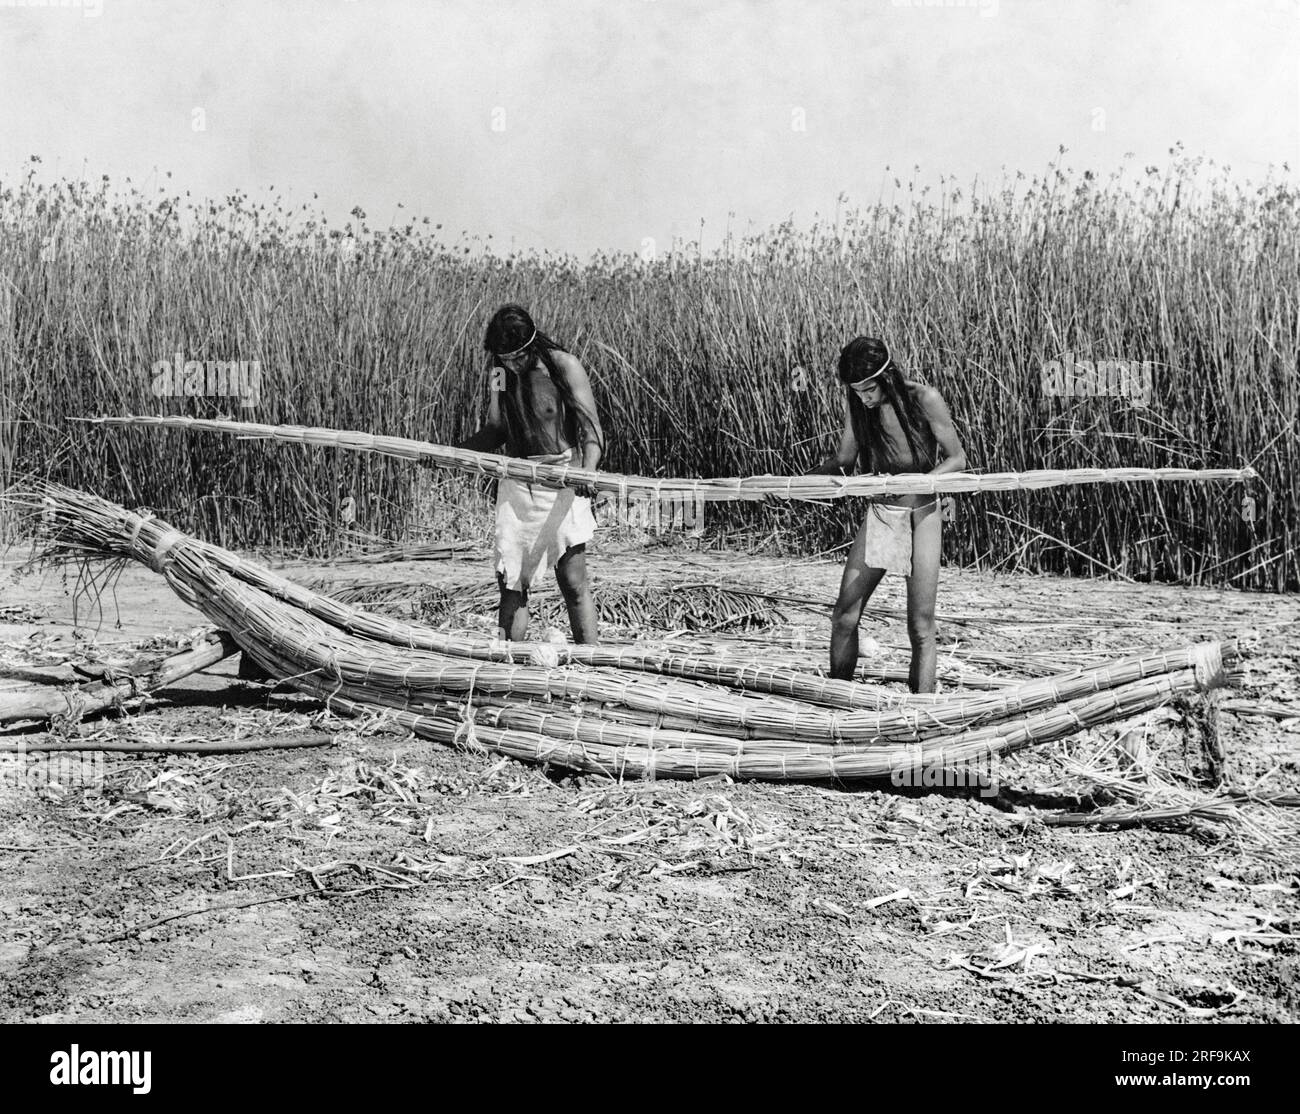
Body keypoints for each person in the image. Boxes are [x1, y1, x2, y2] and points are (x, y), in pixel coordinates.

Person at [808, 337, 967, 693]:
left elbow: (957, 458)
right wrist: (799, 482)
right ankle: (841, 703)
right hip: (882, 512)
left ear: (887, 376)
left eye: (868, 389)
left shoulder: (924, 398)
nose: (863, 397)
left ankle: (922, 716)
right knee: (844, 616)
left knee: (921, 627)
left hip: (923, 512)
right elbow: (844, 460)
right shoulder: (859, 405)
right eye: (855, 390)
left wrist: (920, 483)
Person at [451, 304, 603, 645]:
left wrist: (588, 471)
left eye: (519, 357)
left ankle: (593, 667)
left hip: (563, 476)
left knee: (572, 580)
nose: (513, 365)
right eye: (505, 358)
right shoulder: (501, 373)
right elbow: (495, 429)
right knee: (512, 581)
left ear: (532, 344)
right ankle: (507, 668)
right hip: (518, 481)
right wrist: (455, 452)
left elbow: (591, 430)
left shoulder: (563, 366)